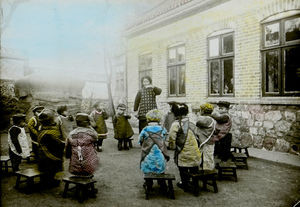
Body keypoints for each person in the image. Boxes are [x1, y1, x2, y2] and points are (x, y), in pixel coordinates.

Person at [168, 102, 201, 192]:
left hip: (183, 151)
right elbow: (198, 134)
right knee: (194, 167)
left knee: (182, 167)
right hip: (195, 151)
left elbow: (171, 137)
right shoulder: (191, 122)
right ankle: (195, 181)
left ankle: (185, 182)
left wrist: (172, 146)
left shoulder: (176, 124)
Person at [139, 109, 170, 191]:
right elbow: (166, 138)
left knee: (147, 166)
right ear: (159, 119)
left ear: (148, 119)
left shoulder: (145, 129)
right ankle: (162, 184)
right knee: (160, 166)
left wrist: (144, 144)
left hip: (148, 153)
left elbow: (140, 140)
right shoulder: (162, 129)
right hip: (160, 153)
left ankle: (148, 183)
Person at [37, 108, 65, 187]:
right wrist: (64, 144)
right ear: (51, 120)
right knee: (50, 169)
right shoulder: (51, 132)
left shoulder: (41, 128)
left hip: (42, 154)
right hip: (49, 155)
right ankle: (49, 182)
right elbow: (58, 143)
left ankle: (45, 180)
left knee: (46, 169)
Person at [66, 113, 99, 177]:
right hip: (89, 166)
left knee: (75, 156)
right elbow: (96, 138)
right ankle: (88, 172)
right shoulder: (90, 132)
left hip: (74, 167)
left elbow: (67, 145)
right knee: (92, 152)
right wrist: (91, 127)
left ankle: (77, 171)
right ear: (87, 123)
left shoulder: (71, 133)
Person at [196, 103, 216, 170]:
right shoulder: (211, 119)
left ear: (203, 111)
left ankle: (208, 173)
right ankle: (206, 171)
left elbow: (198, 123)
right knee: (206, 157)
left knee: (207, 158)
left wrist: (198, 117)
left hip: (207, 141)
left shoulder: (207, 119)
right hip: (206, 140)